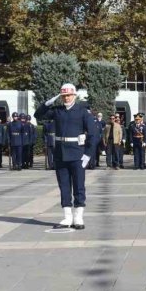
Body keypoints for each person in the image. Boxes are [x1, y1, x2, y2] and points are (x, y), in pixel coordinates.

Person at [34, 84, 98, 229]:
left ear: (74, 95)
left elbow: (93, 135)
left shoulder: (83, 112)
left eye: (68, 95)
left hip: (77, 154)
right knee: (64, 186)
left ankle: (78, 217)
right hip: (60, 154)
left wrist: (88, 155)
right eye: (63, 96)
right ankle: (67, 217)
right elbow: (38, 115)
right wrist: (48, 103)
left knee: (79, 186)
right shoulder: (57, 111)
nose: (66, 98)